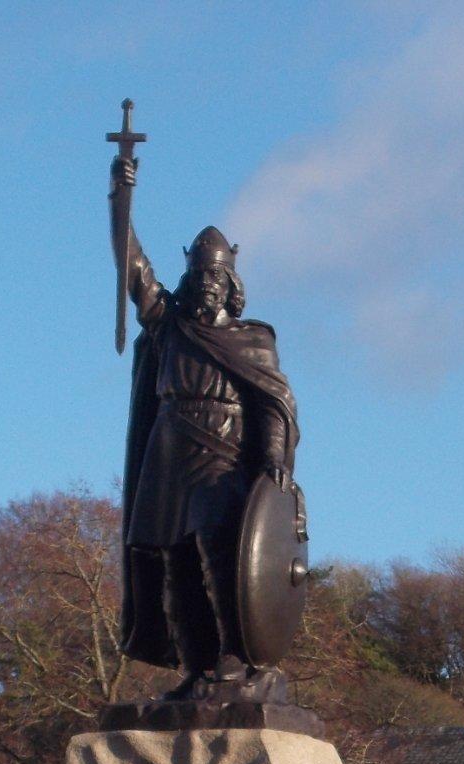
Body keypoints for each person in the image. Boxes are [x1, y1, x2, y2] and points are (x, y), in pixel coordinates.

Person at [111, 154, 300, 698]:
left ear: (230, 279)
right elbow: (134, 271)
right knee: (176, 570)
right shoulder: (170, 325)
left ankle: (237, 658)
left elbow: (273, 405)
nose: (205, 283)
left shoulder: (253, 340)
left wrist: (271, 462)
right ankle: (195, 670)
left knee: (222, 560)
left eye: (214, 275)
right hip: (168, 455)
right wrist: (119, 199)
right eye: (197, 273)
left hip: (223, 456)